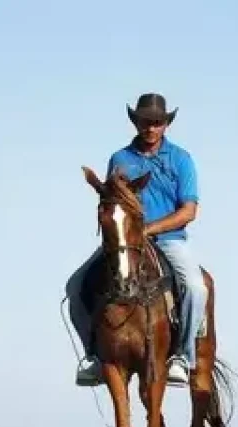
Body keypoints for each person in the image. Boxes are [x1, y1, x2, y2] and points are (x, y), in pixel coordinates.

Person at [66, 93, 207, 387]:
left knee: (196, 287)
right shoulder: (120, 159)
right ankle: (93, 356)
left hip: (169, 239)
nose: (151, 128)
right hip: (123, 239)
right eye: (145, 122)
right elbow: (111, 201)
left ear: (166, 125)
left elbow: (189, 211)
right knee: (75, 284)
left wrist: (149, 229)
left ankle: (183, 356)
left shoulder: (181, 159)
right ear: (136, 122)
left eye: (157, 123)